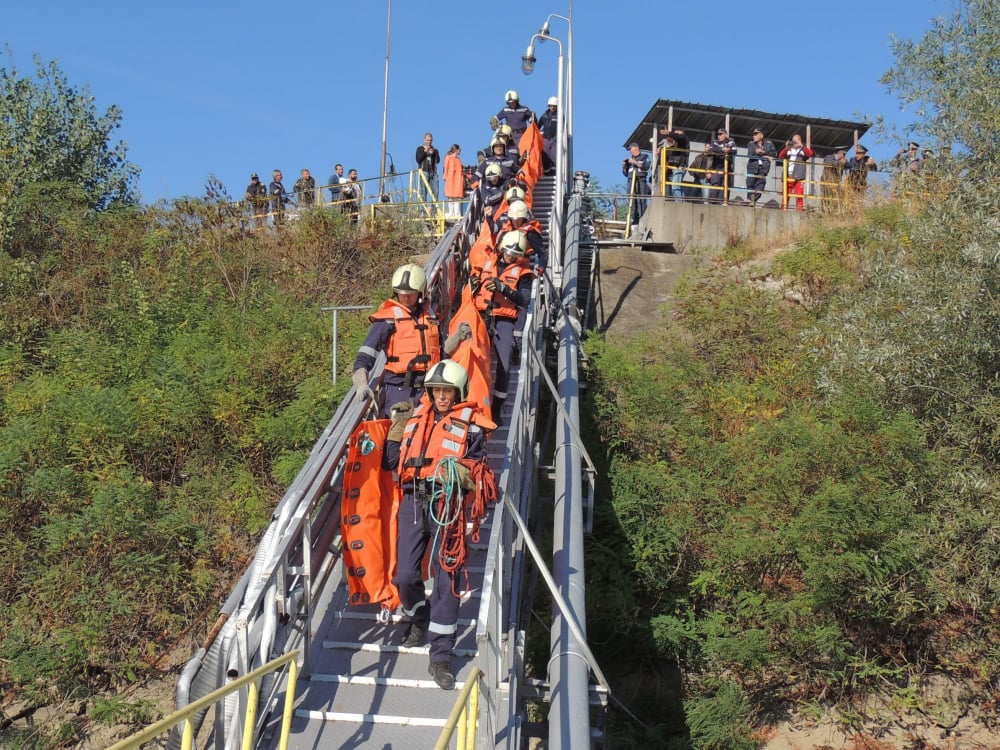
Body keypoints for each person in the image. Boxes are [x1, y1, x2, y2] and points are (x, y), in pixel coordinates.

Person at [382, 359, 492, 690]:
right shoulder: (414, 419)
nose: (442, 396)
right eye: (437, 390)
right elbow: (390, 462)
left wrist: (463, 474)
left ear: (457, 393)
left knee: (448, 575)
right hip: (415, 500)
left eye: (447, 391)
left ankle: (440, 656)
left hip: (449, 502)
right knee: (404, 574)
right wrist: (395, 430)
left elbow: (478, 470)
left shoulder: (472, 426)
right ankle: (419, 615)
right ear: (429, 392)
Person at [352, 263, 471, 418]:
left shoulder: (430, 316)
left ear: (420, 293)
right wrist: (361, 384)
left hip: (428, 389)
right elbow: (364, 357)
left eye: (411, 293)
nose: (406, 297)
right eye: (402, 293)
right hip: (399, 390)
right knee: (398, 436)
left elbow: (440, 354)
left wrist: (458, 337)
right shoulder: (387, 319)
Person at [471, 230, 534, 422]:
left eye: (515, 254)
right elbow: (475, 281)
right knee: (471, 356)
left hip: (504, 320)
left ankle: (497, 409)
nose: (510, 256)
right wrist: (473, 284)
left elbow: (524, 300)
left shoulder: (524, 274)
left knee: (504, 363)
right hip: (481, 315)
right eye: (508, 251)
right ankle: (471, 401)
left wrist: (503, 288)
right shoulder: (487, 261)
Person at [494, 200, 547, 276]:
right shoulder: (506, 229)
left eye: (518, 219)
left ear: (524, 218)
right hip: (501, 265)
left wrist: (541, 266)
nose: (516, 222)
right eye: (513, 219)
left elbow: (542, 253)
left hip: (519, 269)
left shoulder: (531, 233)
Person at [778, 133, 814, 211]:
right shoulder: (789, 149)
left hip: (799, 177)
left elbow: (810, 154)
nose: (793, 142)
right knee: (785, 195)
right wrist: (786, 147)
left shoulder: (803, 150)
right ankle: (783, 210)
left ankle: (799, 211)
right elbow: (780, 156)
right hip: (788, 176)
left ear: (799, 140)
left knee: (799, 196)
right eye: (793, 141)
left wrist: (801, 145)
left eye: (795, 141)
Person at [745, 128, 776, 206]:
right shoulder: (751, 144)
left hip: (763, 169)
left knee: (761, 186)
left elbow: (774, 154)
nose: (754, 136)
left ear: (761, 135)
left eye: (756, 134)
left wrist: (763, 152)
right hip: (752, 168)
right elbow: (750, 154)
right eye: (753, 134)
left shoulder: (769, 144)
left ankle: (753, 200)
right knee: (750, 184)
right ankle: (751, 201)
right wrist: (762, 154)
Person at [657, 127, 690, 201]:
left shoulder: (684, 139)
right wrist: (660, 152)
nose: (676, 135)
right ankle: (681, 202)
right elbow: (668, 155)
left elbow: (679, 137)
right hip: (673, 168)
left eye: (677, 133)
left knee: (675, 186)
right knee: (677, 186)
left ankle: (678, 203)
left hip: (680, 166)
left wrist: (668, 133)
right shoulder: (674, 145)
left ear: (682, 133)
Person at [622, 142, 651, 224]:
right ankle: (635, 218)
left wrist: (635, 162)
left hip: (640, 180)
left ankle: (643, 217)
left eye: (630, 149)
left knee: (642, 199)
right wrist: (624, 167)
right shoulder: (629, 160)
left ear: (635, 148)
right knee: (632, 199)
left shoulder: (645, 157)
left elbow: (646, 167)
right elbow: (626, 173)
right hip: (631, 181)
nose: (630, 151)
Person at [707, 128, 737, 205]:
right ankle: (711, 203)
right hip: (717, 167)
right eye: (718, 134)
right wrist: (722, 150)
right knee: (715, 184)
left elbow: (735, 150)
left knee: (725, 187)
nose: (719, 136)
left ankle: (721, 204)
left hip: (727, 168)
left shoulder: (731, 141)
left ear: (725, 135)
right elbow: (711, 150)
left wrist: (728, 150)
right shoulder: (715, 142)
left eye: (721, 134)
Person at [415, 132, 440, 205]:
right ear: (424, 140)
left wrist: (434, 154)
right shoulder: (420, 148)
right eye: (427, 140)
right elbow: (418, 159)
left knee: (436, 191)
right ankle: (423, 211)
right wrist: (425, 152)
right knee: (423, 191)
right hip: (424, 171)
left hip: (433, 173)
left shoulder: (435, 150)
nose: (429, 142)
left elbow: (438, 161)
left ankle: (434, 211)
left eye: (430, 140)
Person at [537, 96, 559, 175]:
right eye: (551, 105)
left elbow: (563, 127)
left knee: (554, 156)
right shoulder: (544, 115)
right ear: (549, 106)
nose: (552, 107)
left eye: (554, 106)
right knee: (545, 155)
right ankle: (546, 172)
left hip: (555, 139)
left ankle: (554, 173)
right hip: (546, 138)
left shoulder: (559, 116)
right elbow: (538, 126)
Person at [443, 144, 464, 220]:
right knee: (451, 198)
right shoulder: (448, 157)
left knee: (457, 198)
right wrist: (445, 177)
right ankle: (451, 213)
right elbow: (446, 168)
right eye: (459, 150)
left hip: (458, 180)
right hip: (450, 179)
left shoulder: (458, 160)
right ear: (456, 150)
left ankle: (457, 214)